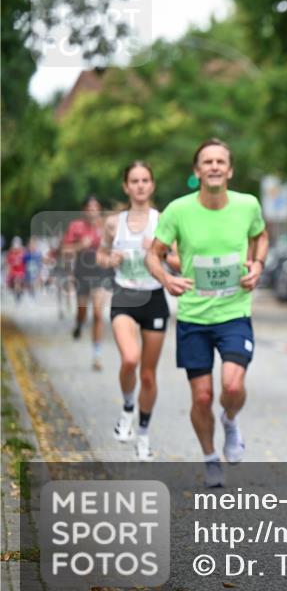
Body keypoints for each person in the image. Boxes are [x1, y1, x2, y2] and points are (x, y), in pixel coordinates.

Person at [146, 138, 268, 487]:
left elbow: (262, 236)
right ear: (197, 171)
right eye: (207, 162)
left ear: (229, 170)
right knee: (201, 396)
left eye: (220, 161)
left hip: (234, 312)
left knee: (232, 384)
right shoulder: (177, 211)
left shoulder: (248, 205)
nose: (214, 166)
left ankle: (230, 420)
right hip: (193, 317)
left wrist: (258, 265)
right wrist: (166, 279)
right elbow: (153, 254)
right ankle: (210, 456)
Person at [97, 162, 178, 461]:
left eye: (146, 180)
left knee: (148, 375)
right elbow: (101, 254)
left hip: (154, 298)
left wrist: (161, 252)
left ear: (152, 186)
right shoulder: (113, 223)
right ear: (126, 186)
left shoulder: (163, 221)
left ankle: (142, 435)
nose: (141, 185)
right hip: (124, 297)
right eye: (135, 180)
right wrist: (110, 259)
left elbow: (179, 261)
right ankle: (127, 408)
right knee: (130, 358)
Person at [62, 196, 113, 370]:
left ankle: (97, 355)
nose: (92, 210)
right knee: (82, 312)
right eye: (89, 207)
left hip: (101, 271)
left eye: (96, 207)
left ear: (100, 209)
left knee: (98, 314)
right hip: (82, 272)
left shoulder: (106, 226)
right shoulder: (76, 227)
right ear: (84, 210)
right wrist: (80, 245)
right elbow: (65, 250)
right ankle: (79, 323)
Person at [5, 237, 27, 301]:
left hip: (21, 274)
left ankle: (20, 297)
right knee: (14, 283)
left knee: (19, 281)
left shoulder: (23, 253)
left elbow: (26, 264)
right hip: (13, 274)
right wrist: (8, 276)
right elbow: (8, 265)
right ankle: (16, 297)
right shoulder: (10, 254)